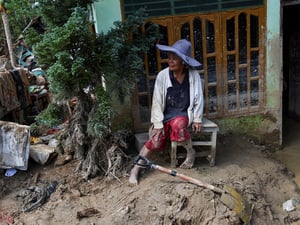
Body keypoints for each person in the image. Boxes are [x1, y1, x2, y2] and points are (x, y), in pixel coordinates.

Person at [129, 39, 204, 185]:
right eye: (169, 57)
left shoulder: (193, 75)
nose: (170, 61)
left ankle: (190, 151)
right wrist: (157, 123)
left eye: (174, 58)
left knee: (178, 125)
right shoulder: (163, 76)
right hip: (165, 115)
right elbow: (157, 101)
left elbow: (198, 98)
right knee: (155, 140)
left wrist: (197, 119)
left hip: (183, 113)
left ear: (183, 61)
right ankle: (136, 169)